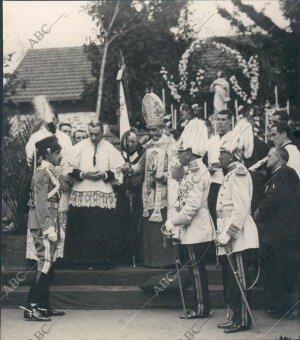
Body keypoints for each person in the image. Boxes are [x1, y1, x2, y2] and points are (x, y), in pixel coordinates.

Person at [164, 120, 215, 319]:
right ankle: (202, 307)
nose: (178, 155)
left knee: (196, 270)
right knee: (196, 269)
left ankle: (201, 308)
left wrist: (172, 222)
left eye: (180, 152)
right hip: (194, 227)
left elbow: (191, 209)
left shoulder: (196, 173)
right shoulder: (193, 170)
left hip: (196, 227)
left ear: (189, 153)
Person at [64, 120, 124, 269]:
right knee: (82, 229)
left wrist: (104, 175)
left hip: (102, 193)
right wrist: (83, 174)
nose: (93, 137)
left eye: (97, 134)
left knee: (101, 229)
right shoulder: (79, 146)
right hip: (82, 192)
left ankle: (101, 261)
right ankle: (80, 262)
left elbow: (119, 169)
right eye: (91, 134)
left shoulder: (109, 148)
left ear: (102, 133)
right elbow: (66, 166)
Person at [216, 142, 259, 333]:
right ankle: (234, 315)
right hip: (227, 231)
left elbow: (240, 209)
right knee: (230, 278)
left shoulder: (240, 173)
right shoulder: (230, 174)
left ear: (232, 155)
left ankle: (242, 319)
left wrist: (228, 234)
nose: (219, 158)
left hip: (238, 234)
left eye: (222, 153)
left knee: (239, 278)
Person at [22, 136, 65, 321]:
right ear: (48, 153)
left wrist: (56, 226)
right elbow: (40, 204)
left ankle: (43, 306)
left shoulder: (49, 172)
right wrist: (48, 227)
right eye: (57, 152)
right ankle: (31, 308)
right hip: (42, 224)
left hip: (50, 221)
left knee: (49, 263)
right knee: (44, 263)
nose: (60, 156)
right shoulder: (41, 173)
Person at [255, 147, 300, 317]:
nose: (266, 159)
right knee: (274, 268)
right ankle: (275, 305)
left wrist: (260, 210)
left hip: (282, 232)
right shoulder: (274, 175)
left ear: (280, 158)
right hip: (274, 231)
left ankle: (282, 307)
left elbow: (276, 198)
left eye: (270, 156)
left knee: (281, 269)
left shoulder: (286, 173)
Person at [120, 128, 145, 262]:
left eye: (133, 141)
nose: (130, 144)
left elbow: (139, 169)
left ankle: (137, 254)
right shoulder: (120, 153)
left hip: (137, 191)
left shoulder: (142, 152)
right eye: (128, 141)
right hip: (123, 191)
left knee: (137, 223)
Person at [25, 96, 72, 167]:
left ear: (57, 120)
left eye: (53, 119)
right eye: (46, 119)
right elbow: (30, 159)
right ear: (43, 121)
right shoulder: (35, 137)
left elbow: (71, 157)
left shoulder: (65, 138)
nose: (50, 122)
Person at [207, 109, 233, 226]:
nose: (220, 122)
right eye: (218, 119)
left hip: (227, 182)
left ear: (230, 122)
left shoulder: (233, 138)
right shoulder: (212, 140)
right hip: (213, 181)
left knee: (224, 215)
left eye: (224, 120)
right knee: (212, 213)